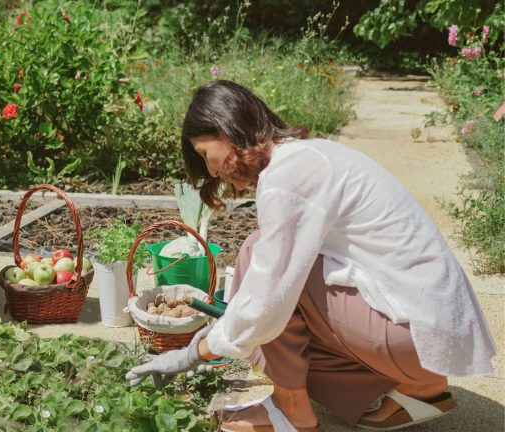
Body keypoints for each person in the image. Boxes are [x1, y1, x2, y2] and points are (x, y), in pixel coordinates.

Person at [125, 80, 496, 431]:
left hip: (416, 338)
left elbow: (270, 294)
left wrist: (196, 352)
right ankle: (418, 389)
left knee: (260, 262)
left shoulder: (290, 174)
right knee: (266, 281)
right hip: (427, 334)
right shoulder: (307, 156)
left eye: (206, 153)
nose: (211, 169)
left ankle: (292, 412)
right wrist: (226, 331)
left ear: (227, 130)